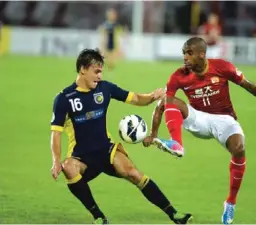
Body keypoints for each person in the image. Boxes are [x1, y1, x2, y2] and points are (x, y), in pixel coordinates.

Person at [142, 37, 256, 224]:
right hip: (198, 118)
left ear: (201, 54)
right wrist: (153, 134)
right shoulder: (178, 76)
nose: (185, 58)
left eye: (189, 53)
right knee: (167, 100)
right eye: (184, 53)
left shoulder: (222, 67)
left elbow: (249, 86)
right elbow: (161, 105)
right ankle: (177, 144)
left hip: (224, 120)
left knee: (239, 149)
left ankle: (230, 203)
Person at [50, 49, 192, 224]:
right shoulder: (64, 98)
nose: (100, 76)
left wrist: (152, 97)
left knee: (133, 173)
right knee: (68, 167)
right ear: (83, 69)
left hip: (107, 150)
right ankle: (98, 216)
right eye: (96, 71)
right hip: (82, 156)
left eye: (101, 71)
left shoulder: (105, 89)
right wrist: (56, 161)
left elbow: (134, 98)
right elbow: (55, 133)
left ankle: (174, 214)